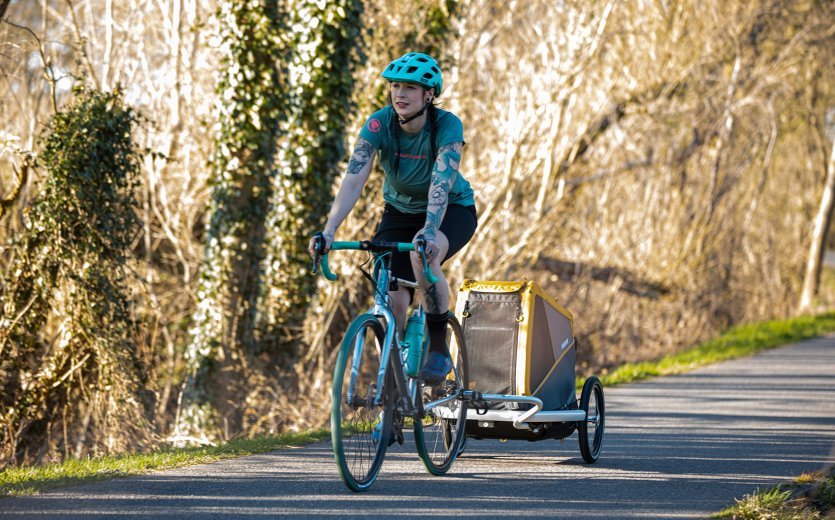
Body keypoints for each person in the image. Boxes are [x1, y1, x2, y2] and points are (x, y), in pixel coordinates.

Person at [308, 51, 477, 384]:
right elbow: (354, 177)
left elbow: (441, 183)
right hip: (399, 211)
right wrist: (328, 231)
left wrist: (429, 231)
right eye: (395, 86)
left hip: (451, 209)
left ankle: (439, 348)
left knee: (421, 257)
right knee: (390, 296)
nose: (400, 94)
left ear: (429, 95)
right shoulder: (378, 123)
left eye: (410, 88)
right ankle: (393, 380)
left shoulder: (447, 126)